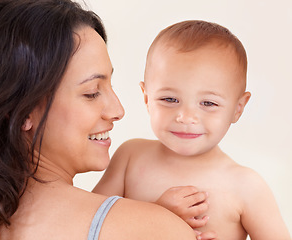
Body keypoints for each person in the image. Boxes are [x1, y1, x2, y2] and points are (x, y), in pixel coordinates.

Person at [0, 1, 200, 239]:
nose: (118, 110)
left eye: (110, 85)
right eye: (91, 92)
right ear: (23, 111)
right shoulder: (155, 228)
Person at [93, 20, 291, 240]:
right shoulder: (131, 157)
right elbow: (87, 223)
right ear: (147, 98)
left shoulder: (246, 186)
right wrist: (156, 214)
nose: (186, 117)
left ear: (238, 108)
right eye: (169, 99)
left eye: (208, 103)